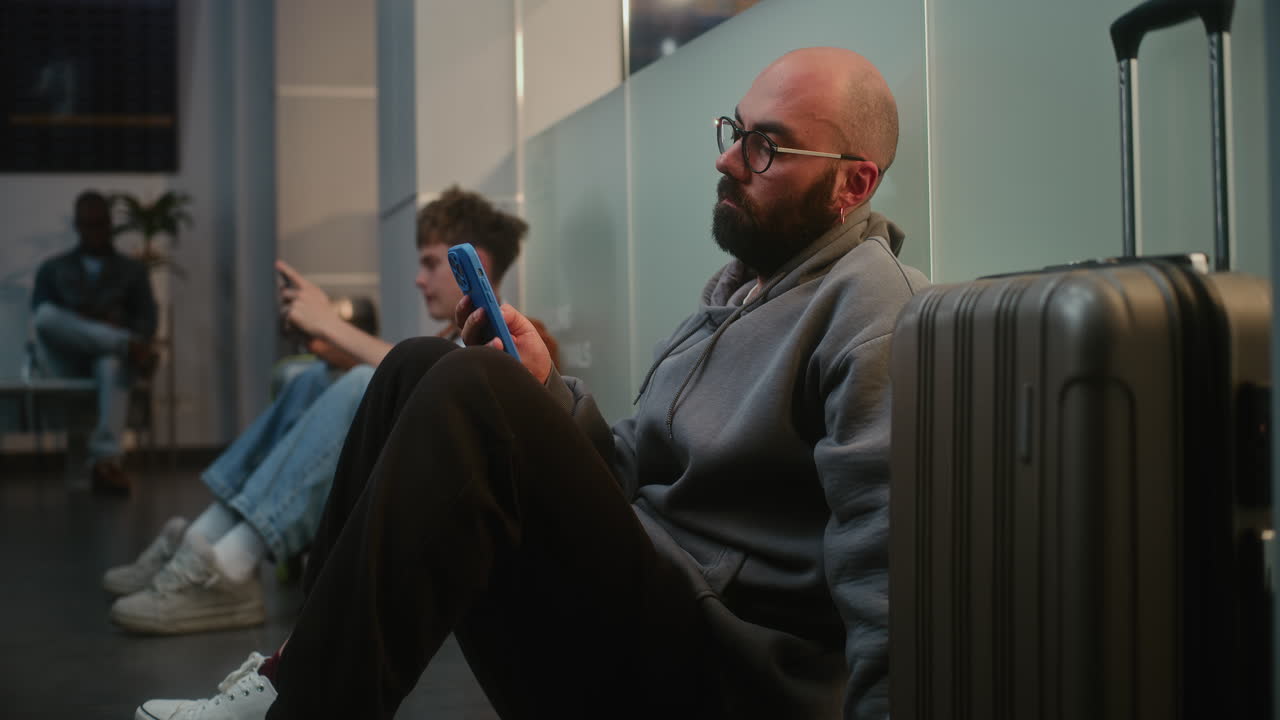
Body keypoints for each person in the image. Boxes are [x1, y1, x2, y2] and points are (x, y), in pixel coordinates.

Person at [135, 47, 926, 720]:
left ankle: (297, 704)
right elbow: (628, 472)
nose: (727, 159)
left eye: (766, 146)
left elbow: (885, 553)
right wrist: (548, 390)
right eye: (735, 131)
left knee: (473, 388)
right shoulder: (737, 292)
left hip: (728, 668)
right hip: (651, 602)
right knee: (421, 364)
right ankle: (295, 677)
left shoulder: (871, 307)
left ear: (852, 185)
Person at [105, 187, 557, 635]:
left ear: (476, 261)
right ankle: (202, 543)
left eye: (432, 262)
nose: (420, 278)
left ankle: (232, 565)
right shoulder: (450, 335)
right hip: (417, 471)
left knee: (362, 380)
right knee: (312, 378)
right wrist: (330, 344)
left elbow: (445, 389)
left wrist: (333, 326)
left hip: (456, 497)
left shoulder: (524, 336)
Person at [30, 190, 158, 494]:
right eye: (88, 224)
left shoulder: (133, 271)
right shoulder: (53, 268)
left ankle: (106, 463)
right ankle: (122, 342)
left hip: (108, 364)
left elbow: (148, 323)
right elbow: (45, 321)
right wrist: (89, 324)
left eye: (100, 223)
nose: (95, 230)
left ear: (110, 224)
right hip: (65, 360)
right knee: (47, 315)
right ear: (78, 225)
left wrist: (117, 325)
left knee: (111, 360)